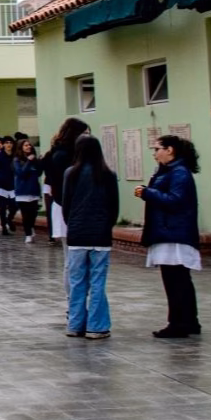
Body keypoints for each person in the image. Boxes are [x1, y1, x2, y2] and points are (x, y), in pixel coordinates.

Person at [136, 135, 202, 339]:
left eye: (157, 149)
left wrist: (147, 193)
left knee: (175, 280)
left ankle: (178, 323)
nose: (155, 154)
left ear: (170, 150)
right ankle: (189, 321)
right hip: (170, 231)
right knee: (180, 279)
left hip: (174, 232)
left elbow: (176, 201)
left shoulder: (179, 172)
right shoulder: (170, 171)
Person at [62, 135, 119, 339]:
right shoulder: (108, 174)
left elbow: (66, 206)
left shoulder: (70, 174)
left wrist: (73, 225)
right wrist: (105, 226)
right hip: (100, 235)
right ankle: (96, 326)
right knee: (97, 281)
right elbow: (114, 207)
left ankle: (75, 324)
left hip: (77, 235)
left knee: (77, 281)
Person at [42, 118, 90, 247]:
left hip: (79, 207)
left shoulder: (80, 154)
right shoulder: (62, 156)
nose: (88, 138)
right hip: (68, 207)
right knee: (72, 253)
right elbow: (60, 185)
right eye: (84, 134)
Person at [0, 135, 17, 233]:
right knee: (2, 207)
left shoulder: (15, 156)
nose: (8, 144)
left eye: (10, 142)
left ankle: (9, 219)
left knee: (14, 206)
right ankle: (4, 227)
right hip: (1, 185)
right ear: (3, 144)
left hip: (13, 185)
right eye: (6, 142)